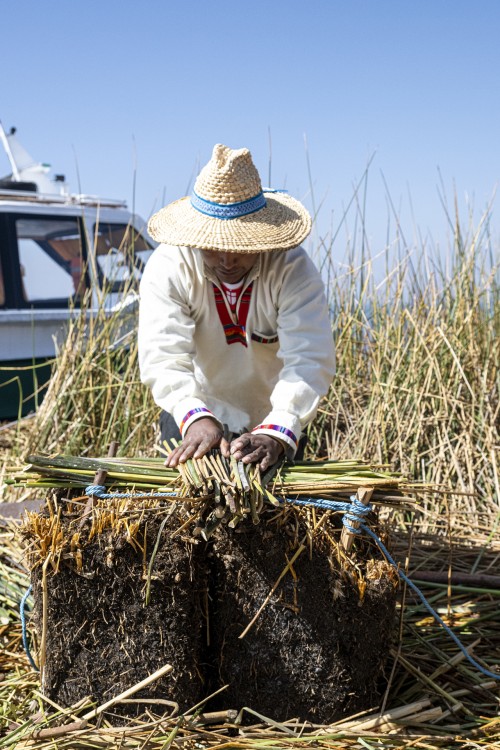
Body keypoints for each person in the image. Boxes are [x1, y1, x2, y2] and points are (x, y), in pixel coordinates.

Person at [138, 143, 335, 471]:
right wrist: (195, 417)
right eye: (214, 248)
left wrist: (278, 428)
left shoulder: (292, 268)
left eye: (239, 247)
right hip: (195, 410)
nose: (227, 260)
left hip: (274, 413)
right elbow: (164, 358)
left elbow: (309, 359)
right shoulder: (169, 267)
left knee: (275, 515)